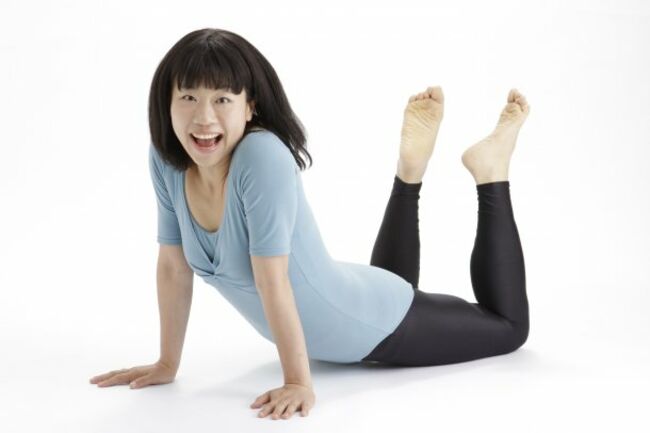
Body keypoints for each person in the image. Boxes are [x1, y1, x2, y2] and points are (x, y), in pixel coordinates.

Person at [89, 28, 530, 421]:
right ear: (166, 102)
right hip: (353, 295)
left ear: (249, 106)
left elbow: (273, 279)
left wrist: (298, 382)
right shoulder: (167, 158)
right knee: (398, 287)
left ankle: (491, 171)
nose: (203, 118)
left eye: (222, 99)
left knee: (510, 328)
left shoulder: (260, 157)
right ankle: (410, 170)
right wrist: (167, 363)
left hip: (369, 328)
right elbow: (172, 266)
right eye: (188, 97)